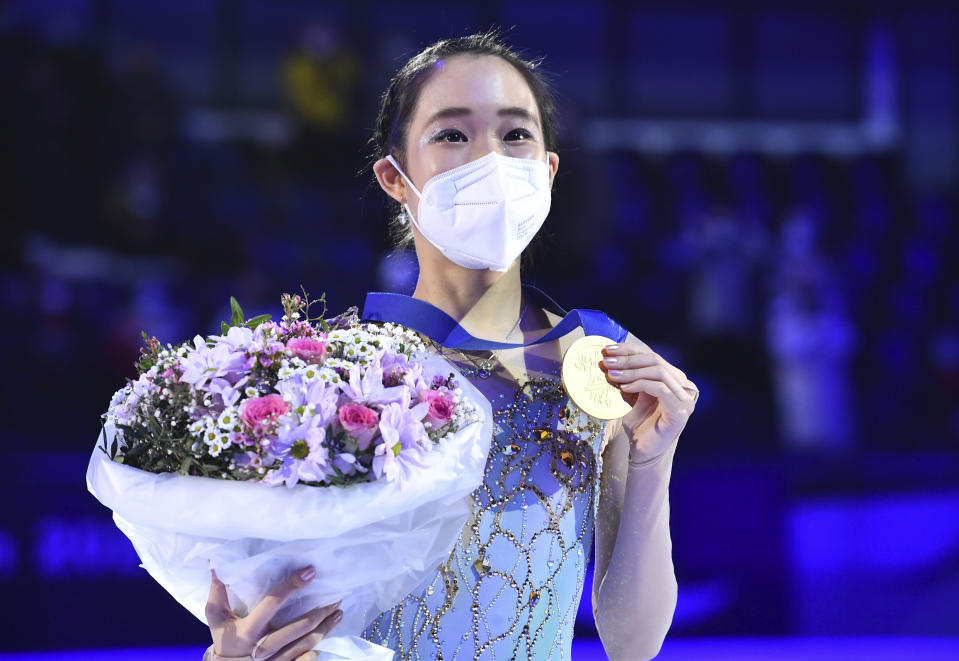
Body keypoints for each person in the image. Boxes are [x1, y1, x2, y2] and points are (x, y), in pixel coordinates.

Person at [203, 30, 698, 661]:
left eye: (515, 134)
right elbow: (271, 613)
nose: (488, 158)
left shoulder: (598, 365)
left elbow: (634, 644)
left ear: (547, 170)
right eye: (452, 134)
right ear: (394, 177)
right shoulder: (334, 378)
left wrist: (654, 464)